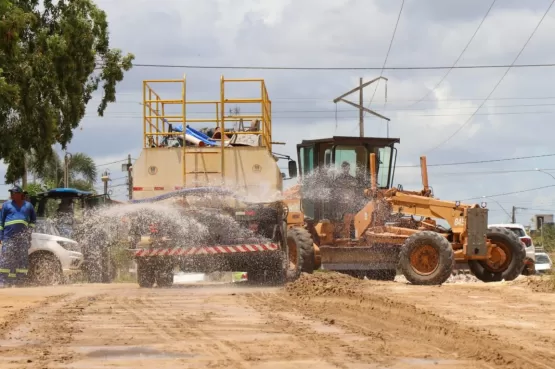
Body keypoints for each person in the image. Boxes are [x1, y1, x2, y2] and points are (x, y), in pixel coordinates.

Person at [0, 185, 37, 287]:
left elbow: (33, 221)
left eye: (14, 193)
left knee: (21, 259)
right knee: (6, 259)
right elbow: (1, 222)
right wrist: (1, 236)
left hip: (22, 238)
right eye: (11, 193)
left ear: (20, 194)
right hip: (8, 237)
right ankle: (4, 281)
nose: (12, 195)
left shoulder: (28, 206)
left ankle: (20, 281)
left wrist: (28, 232)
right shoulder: (6, 205)